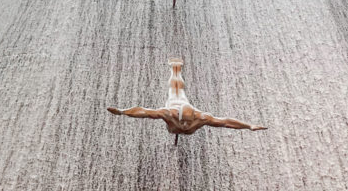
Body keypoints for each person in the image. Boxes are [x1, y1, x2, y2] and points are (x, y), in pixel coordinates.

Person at [107, 58, 266, 143]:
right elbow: (143, 111)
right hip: (176, 103)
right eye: (182, 121)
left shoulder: (202, 118)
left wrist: (248, 126)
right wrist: (122, 111)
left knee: (179, 91)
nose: (184, 125)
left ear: (194, 116)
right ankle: (175, 67)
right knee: (175, 89)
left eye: (187, 122)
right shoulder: (170, 113)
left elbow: (225, 122)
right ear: (178, 115)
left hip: (183, 107)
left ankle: (176, 68)